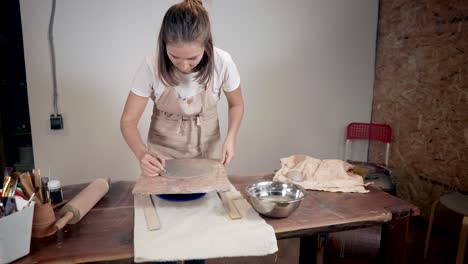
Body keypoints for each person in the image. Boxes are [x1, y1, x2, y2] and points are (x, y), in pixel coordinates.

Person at [120, 0, 244, 179]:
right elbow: (128, 121)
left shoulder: (222, 62)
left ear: (206, 45)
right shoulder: (151, 65)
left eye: (193, 58)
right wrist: (142, 154)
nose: (184, 65)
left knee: (210, 201)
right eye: (175, 56)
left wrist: (231, 137)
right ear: (164, 45)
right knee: (163, 204)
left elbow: (237, 104)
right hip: (162, 156)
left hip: (208, 150)